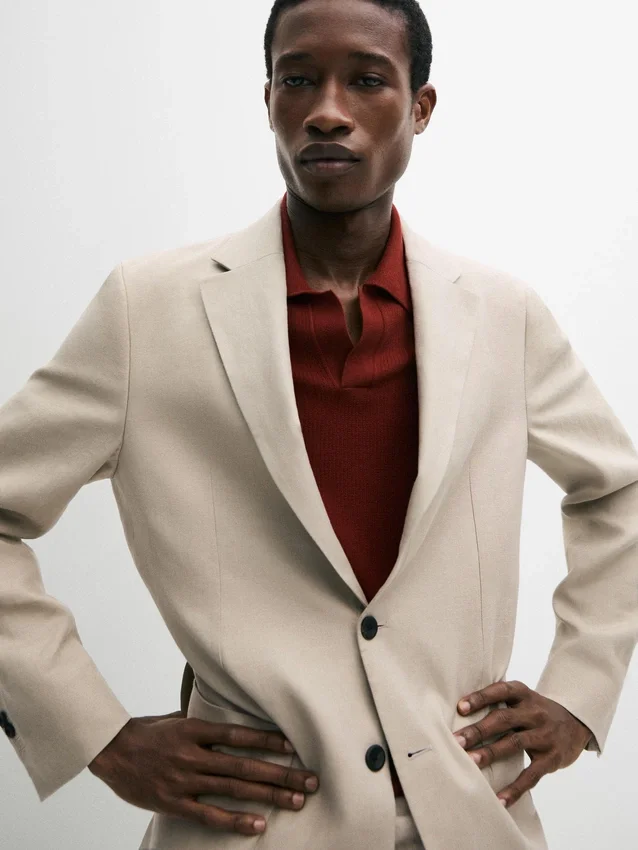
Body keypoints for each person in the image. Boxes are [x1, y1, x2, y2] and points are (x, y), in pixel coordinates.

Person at [1, 1, 637, 848]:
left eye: (367, 80)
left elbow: (618, 490)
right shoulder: (146, 312)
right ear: (268, 99)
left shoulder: (502, 316)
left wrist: (580, 694)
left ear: (421, 107)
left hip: (470, 816)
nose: (327, 111)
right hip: (250, 824)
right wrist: (97, 736)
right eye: (299, 79)